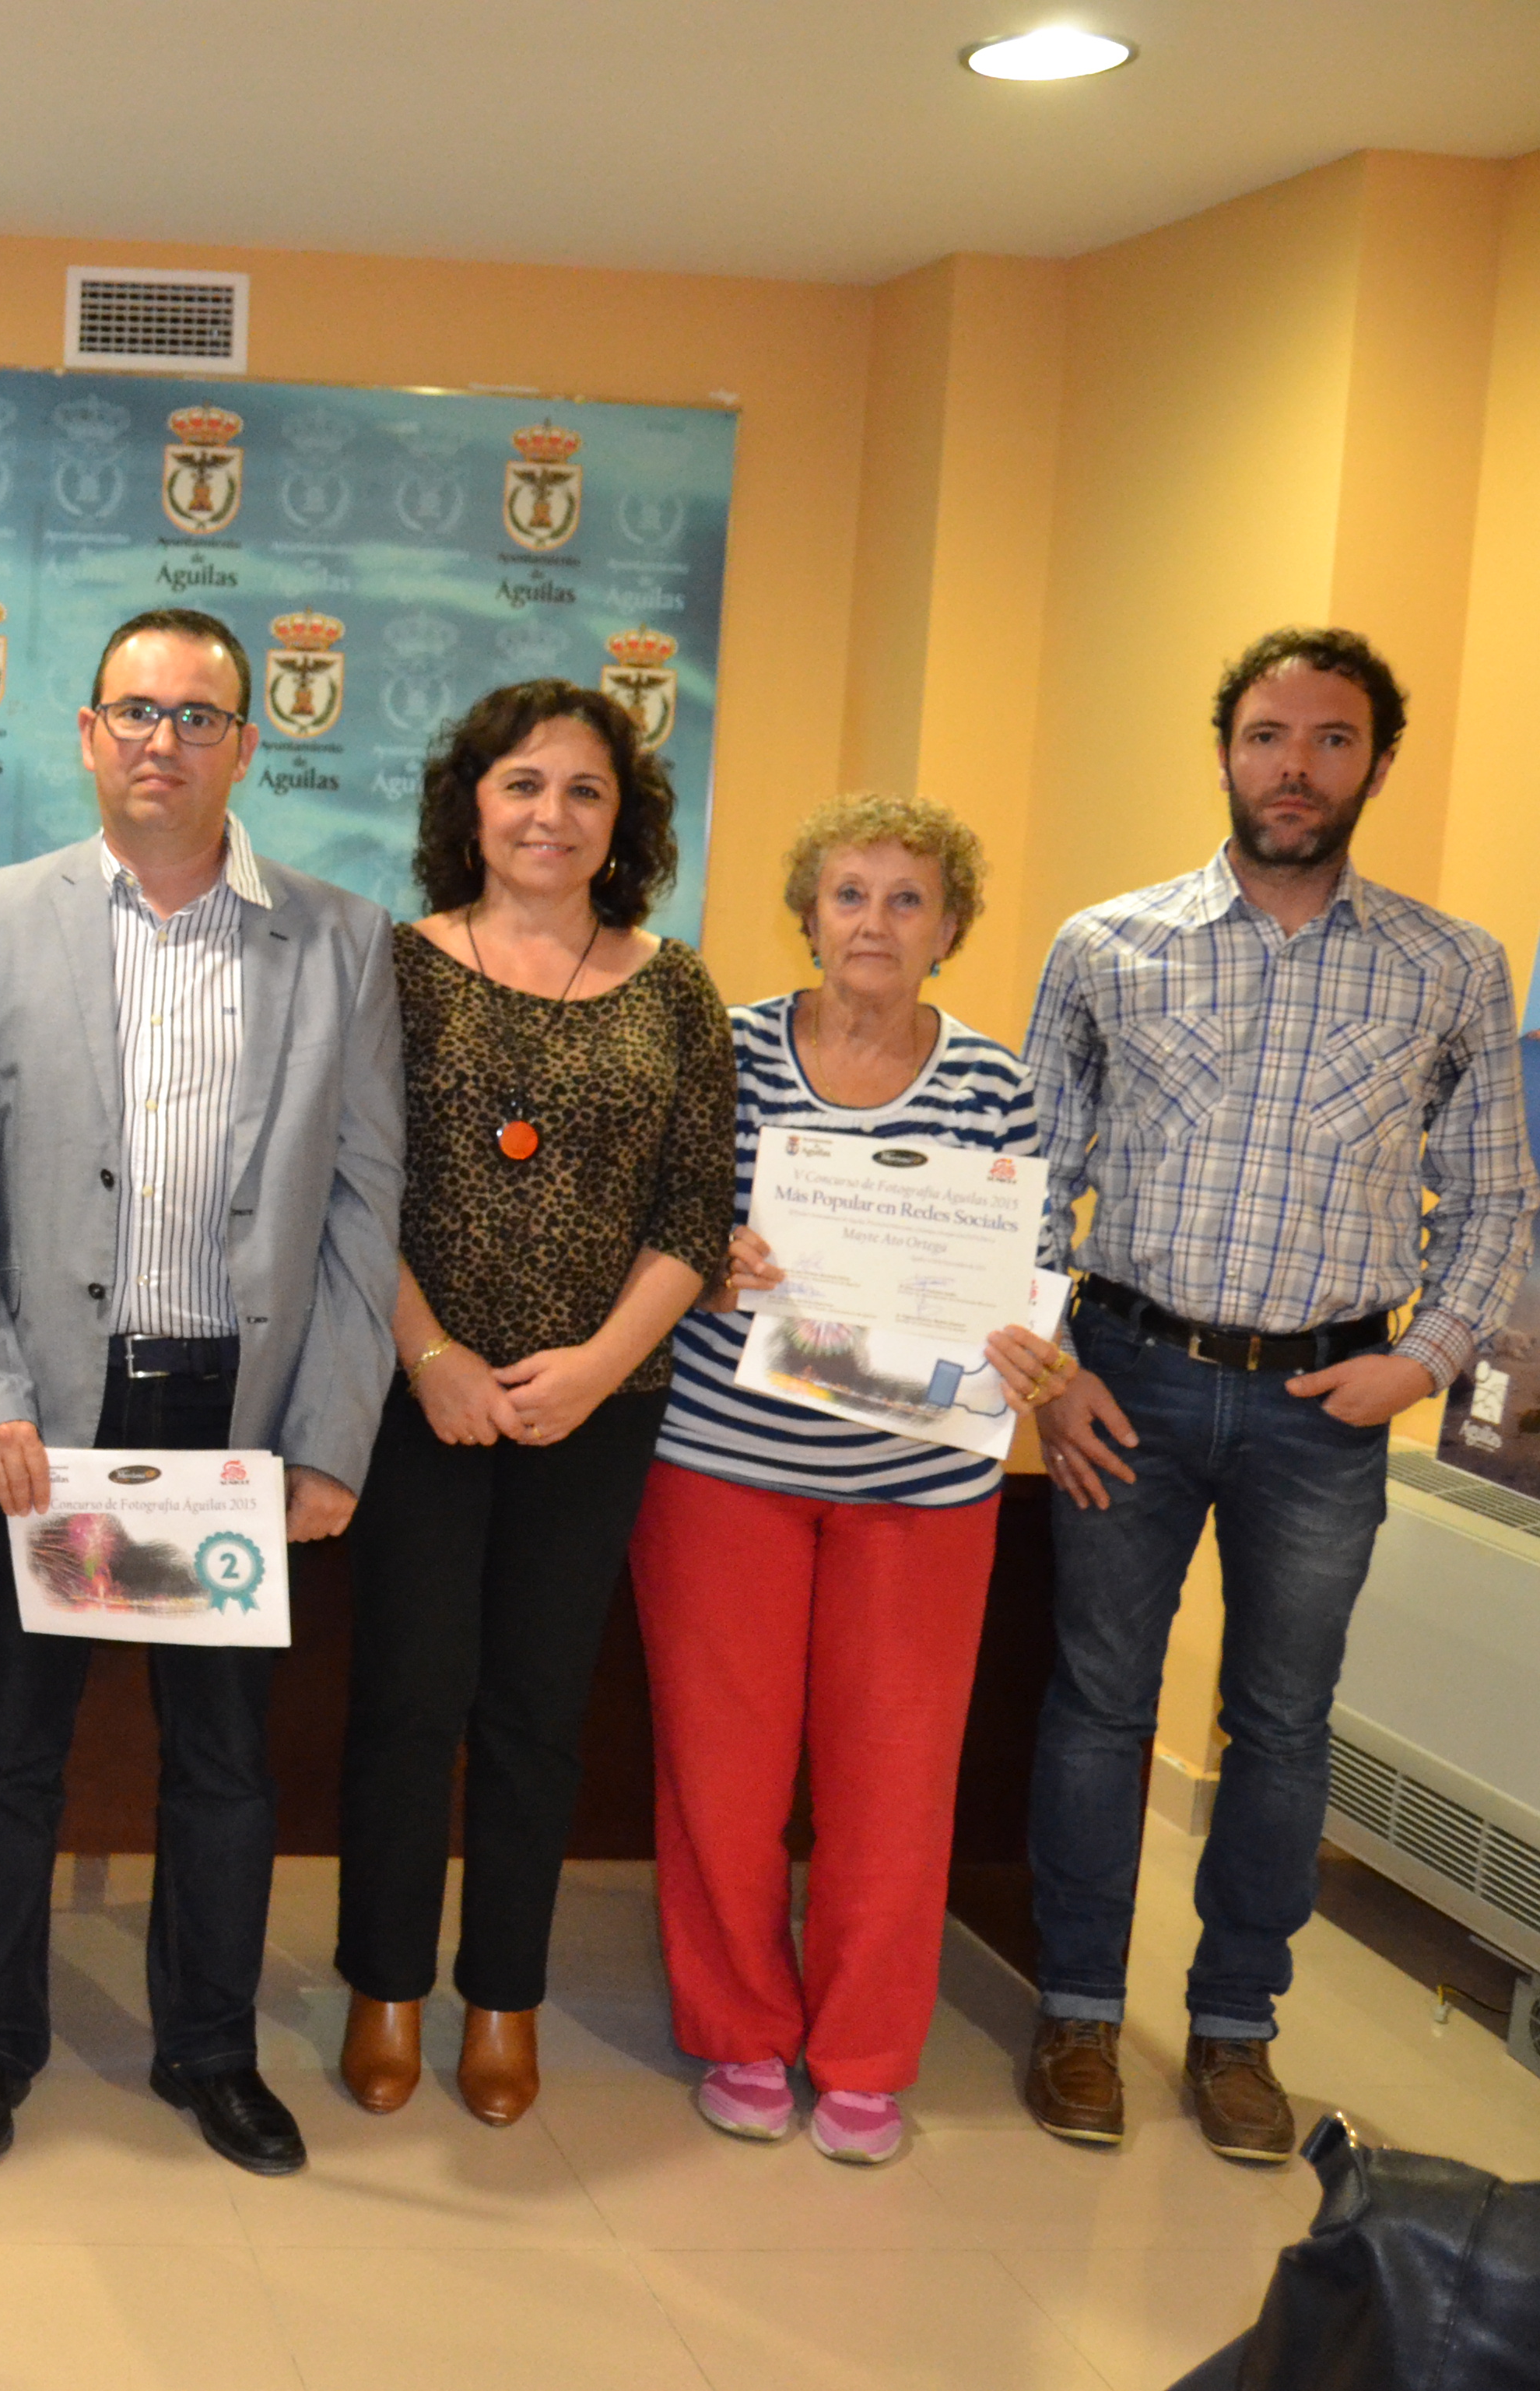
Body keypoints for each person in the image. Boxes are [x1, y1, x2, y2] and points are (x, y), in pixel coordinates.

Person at [1020, 628, 1534, 2164]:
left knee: (1284, 1727)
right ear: (1224, 749)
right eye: (1264, 735)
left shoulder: (1454, 965)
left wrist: (1425, 1362)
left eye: (1329, 739)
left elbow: (1498, 1196)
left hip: (1329, 1406)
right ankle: (1078, 2013)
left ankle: (1238, 2031)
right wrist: (1047, 1371)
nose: (1292, 767)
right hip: (1126, 1379)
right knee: (1099, 1708)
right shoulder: (1108, 944)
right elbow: (1036, 1179)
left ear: (1375, 760)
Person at [0, 607, 404, 2178]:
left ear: (246, 745)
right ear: (83, 730)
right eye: (135, 709)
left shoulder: (339, 940)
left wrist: (329, 1437)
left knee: (224, 1760)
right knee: (8, 1749)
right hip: (48, 1420)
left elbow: (363, 1209)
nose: (162, 741)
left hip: (228, 1427)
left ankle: (208, 2051)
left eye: (199, 717)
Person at [633, 794, 1061, 2165]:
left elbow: (1035, 1263)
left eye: (907, 899)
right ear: (807, 912)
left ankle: (867, 2055)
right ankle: (743, 2034)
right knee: (723, 1771)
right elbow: (652, 1218)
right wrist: (715, 1257)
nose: (874, 922)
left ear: (950, 928)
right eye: (850, 894)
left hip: (923, 1485)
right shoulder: (728, 1052)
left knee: (895, 1779)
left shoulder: (996, 1081)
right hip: (724, 1466)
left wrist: (1027, 1341)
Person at [334, 679, 733, 2130]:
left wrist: (598, 1368)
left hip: (598, 1409)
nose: (550, 815)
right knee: (406, 1701)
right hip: (412, 1392)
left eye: (584, 791)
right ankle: (384, 1985)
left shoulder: (676, 987)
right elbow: (346, 1184)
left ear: (622, 822)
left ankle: (502, 1996)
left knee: (535, 1714)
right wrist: (431, 1353)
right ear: (471, 806)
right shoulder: (392, 965)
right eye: (522, 785)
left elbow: (695, 1209)